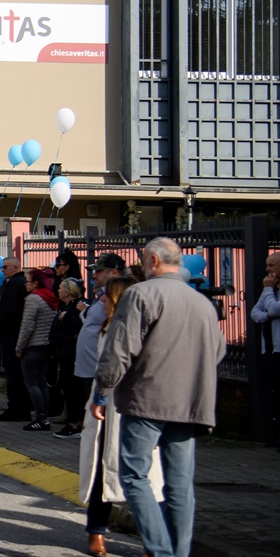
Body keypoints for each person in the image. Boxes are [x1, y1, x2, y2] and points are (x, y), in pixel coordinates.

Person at [94, 237, 225, 557]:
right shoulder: (201, 302)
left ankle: (160, 550)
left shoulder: (141, 293)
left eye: (142, 259)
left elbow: (119, 349)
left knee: (134, 475)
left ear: (153, 261)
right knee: (179, 484)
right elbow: (218, 350)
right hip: (191, 401)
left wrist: (103, 391)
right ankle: (178, 552)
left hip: (147, 399)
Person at [79, 276, 163, 557]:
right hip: (106, 404)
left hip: (137, 403)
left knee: (144, 475)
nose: (101, 300)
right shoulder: (107, 326)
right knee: (102, 469)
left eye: (106, 296)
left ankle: (152, 539)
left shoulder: (143, 326)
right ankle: (96, 531)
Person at [73, 253, 126, 435]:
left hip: (100, 366)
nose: (94, 275)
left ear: (113, 272)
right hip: (90, 366)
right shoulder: (101, 295)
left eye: (99, 271)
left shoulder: (119, 296)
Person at [0, 258, 32, 421]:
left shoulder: (14, 284)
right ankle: (21, 406)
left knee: (13, 374)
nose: (2, 270)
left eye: (5, 267)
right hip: (15, 333)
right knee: (17, 374)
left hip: (11, 335)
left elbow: (7, 311)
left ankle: (16, 408)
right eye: (1, 267)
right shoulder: (18, 283)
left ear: (15, 268)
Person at [17, 268, 57, 432]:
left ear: (35, 283)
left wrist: (19, 347)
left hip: (33, 346)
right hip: (46, 346)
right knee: (42, 383)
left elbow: (27, 326)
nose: (25, 284)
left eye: (27, 281)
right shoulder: (49, 298)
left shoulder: (33, 299)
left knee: (32, 383)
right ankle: (44, 416)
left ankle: (41, 418)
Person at [51, 277, 88, 439]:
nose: (57, 290)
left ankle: (75, 423)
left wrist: (68, 317)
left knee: (74, 389)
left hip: (72, 354)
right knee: (67, 388)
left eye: (60, 288)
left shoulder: (80, 306)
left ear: (67, 291)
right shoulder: (65, 306)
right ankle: (72, 420)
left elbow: (80, 325)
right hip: (63, 352)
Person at [251, 251, 280, 447]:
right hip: (268, 348)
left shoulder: (269, 288)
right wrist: (267, 316)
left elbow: (276, 309)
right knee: (273, 392)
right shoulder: (270, 288)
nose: (268, 269)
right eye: (267, 265)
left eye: (272, 265)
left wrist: (269, 292)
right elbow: (256, 312)